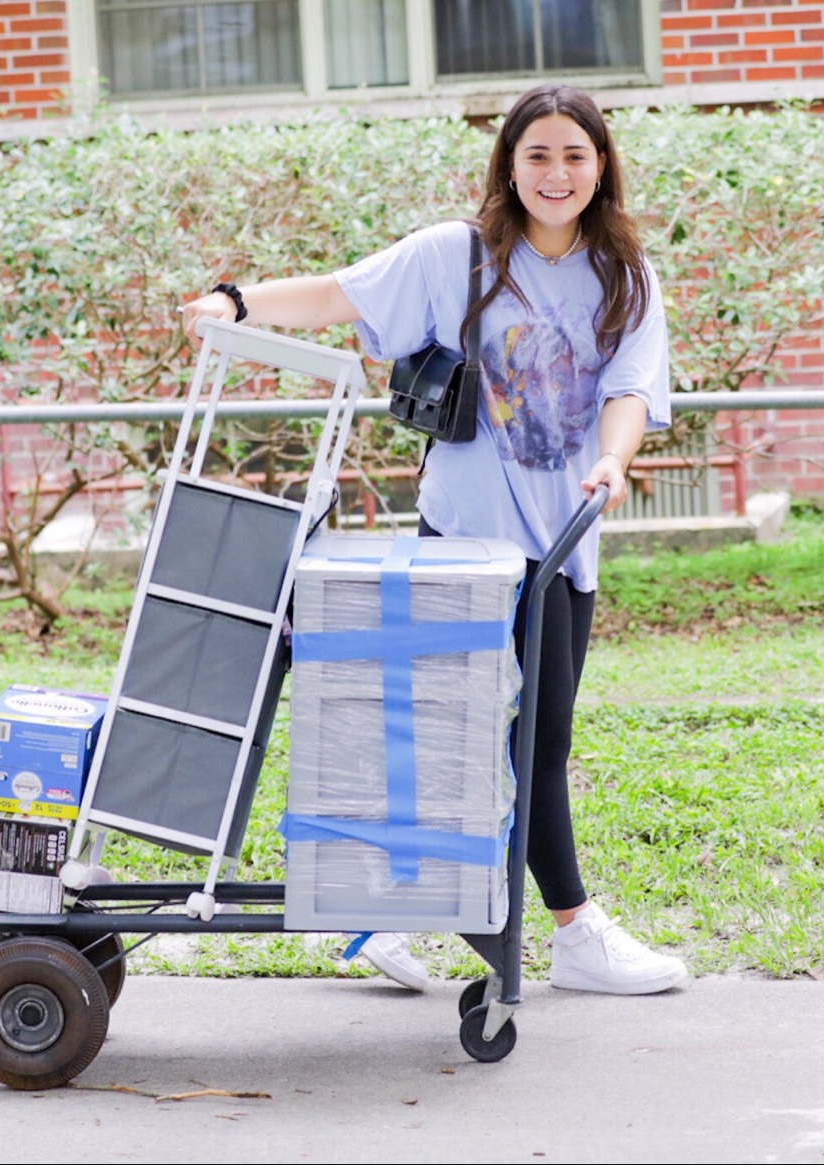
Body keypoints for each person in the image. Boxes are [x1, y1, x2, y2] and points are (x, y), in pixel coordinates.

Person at [182, 83, 687, 996]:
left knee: (536, 737)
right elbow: (342, 293)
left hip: (564, 541)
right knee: (471, 736)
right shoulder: (457, 257)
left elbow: (632, 390)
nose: (556, 172)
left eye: (575, 154)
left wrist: (611, 462)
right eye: (537, 155)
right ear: (510, 166)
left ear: (601, 166)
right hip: (464, 543)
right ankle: (569, 929)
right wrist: (236, 301)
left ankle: (388, 913)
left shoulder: (628, 276)